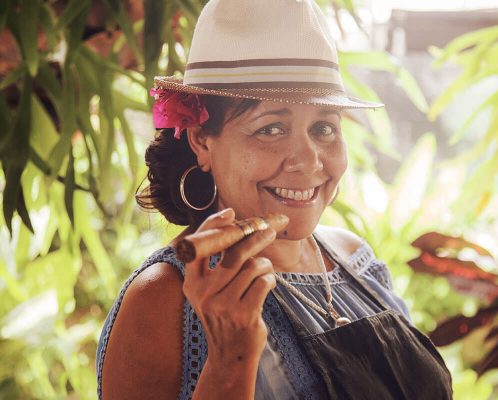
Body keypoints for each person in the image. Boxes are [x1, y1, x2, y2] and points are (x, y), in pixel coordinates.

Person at [95, 0, 453, 399]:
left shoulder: (356, 260)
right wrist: (232, 356)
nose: (308, 161)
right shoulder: (163, 299)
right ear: (201, 140)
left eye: (323, 127)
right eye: (270, 129)